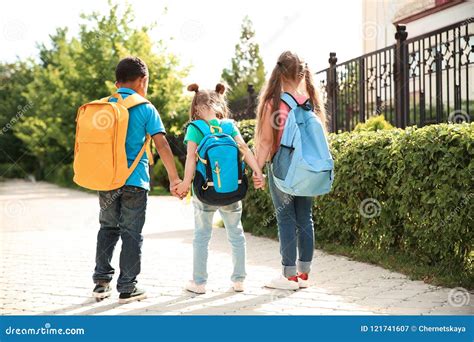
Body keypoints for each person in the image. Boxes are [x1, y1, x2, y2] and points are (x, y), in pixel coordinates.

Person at [92, 56, 182, 303]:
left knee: (107, 228)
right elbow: (162, 145)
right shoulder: (145, 107)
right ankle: (127, 287)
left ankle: (101, 283)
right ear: (143, 80)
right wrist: (174, 179)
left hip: (107, 180)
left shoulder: (103, 106)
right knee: (131, 233)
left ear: (116, 82)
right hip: (135, 181)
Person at [176, 83, 264, 294]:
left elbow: (190, 158)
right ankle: (239, 280)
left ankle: (199, 283)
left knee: (201, 236)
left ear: (196, 108)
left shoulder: (195, 128)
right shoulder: (229, 126)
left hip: (206, 191)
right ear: (219, 104)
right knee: (236, 234)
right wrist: (258, 172)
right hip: (233, 190)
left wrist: (186, 184)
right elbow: (244, 149)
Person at [254, 51, 327, 290]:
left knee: (286, 218)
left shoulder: (274, 104)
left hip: (283, 167)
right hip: (306, 167)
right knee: (305, 217)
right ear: (301, 74)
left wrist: (257, 170)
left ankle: (288, 276)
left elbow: (265, 142)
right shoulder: (308, 102)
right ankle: (304, 273)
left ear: (279, 72)